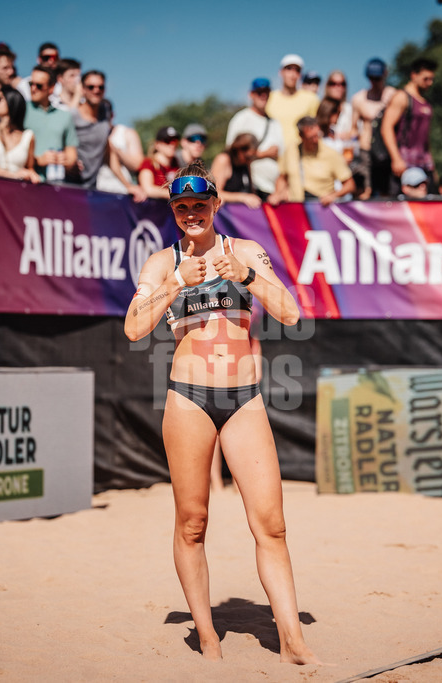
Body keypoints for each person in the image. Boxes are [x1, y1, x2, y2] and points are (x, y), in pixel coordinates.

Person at [123, 162, 320, 666]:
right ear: (174, 210)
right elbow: (132, 328)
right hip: (188, 397)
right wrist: (173, 286)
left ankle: (294, 642)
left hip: (244, 398)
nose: (191, 214)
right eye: (181, 207)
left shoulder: (245, 252)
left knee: (271, 525)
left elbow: (292, 314)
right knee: (192, 522)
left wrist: (248, 276)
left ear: (215, 205)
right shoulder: (161, 263)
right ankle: (208, 638)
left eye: (200, 205)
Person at [67, 70, 137, 196]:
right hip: (67, 186)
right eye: (91, 87)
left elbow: (109, 155)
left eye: (101, 87)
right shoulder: (72, 116)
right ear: (82, 89)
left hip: (92, 189)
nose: (96, 90)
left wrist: (128, 186)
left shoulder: (104, 115)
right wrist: (69, 162)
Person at [378, 57, 437, 197]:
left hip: (424, 163)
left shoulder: (426, 102)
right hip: (404, 162)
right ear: (414, 75)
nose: (430, 83)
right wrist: (396, 158)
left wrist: (432, 166)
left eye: (432, 79)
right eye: (426, 79)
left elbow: (425, 139)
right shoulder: (402, 97)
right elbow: (386, 128)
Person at [272, 115, 355, 205]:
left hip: (320, 209)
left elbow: (350, 185)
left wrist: (333, 196)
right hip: (296, 208)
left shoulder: (331, 154)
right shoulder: (291, 149)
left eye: (317, 135)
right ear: (301, 136)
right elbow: (282, 178)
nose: (315, 140)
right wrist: (278, 194)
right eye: (311, 138)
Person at [226, 77, 283, 200]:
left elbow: (282, 157)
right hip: (251, 189)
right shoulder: (241, 119)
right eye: (259, 92)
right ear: (251, 94)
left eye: (266, 92)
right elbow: (231, 154)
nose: (263, 96)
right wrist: (264, 154)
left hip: (272, 192)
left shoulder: (275, 123)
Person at [350, 58, 397, 200]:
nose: (375, 81)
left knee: (387, 192)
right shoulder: (359, 99)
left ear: (385, 75)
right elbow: (353, 129)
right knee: (365, 192)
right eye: (372, 78)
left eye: (378, 78)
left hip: (387, 151)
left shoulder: (393, 95)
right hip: (366, 151)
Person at [0, 86, 40, 183]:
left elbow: (29, 168)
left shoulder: (28, 136)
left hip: (16, 191)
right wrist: (12, 176)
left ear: (12, 102)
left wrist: (32, 174)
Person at [266, 54, 320, 152]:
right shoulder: (269, 98)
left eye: (297, 70)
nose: (293, 74)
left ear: (300, 75)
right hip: (273, 158)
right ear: (281, 72)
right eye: (289, 69)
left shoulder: (311, 99)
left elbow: (317, 130)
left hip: (301, 157)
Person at [210, 132, 261, 208]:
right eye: (248, 157)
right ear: (238, 150)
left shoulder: (246, 164)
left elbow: (250, 190)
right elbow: (215, 193)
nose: (249, 161)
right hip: (227, 213)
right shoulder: (223, 160)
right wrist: (243, 197)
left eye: (252, 158)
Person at [138, 126, 182, 200]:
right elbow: (148, 189)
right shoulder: (148, 163)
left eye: (175, 141)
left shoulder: (175, 164)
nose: (172, 145)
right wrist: (174, 194)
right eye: (167, 141)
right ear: (157, 145)